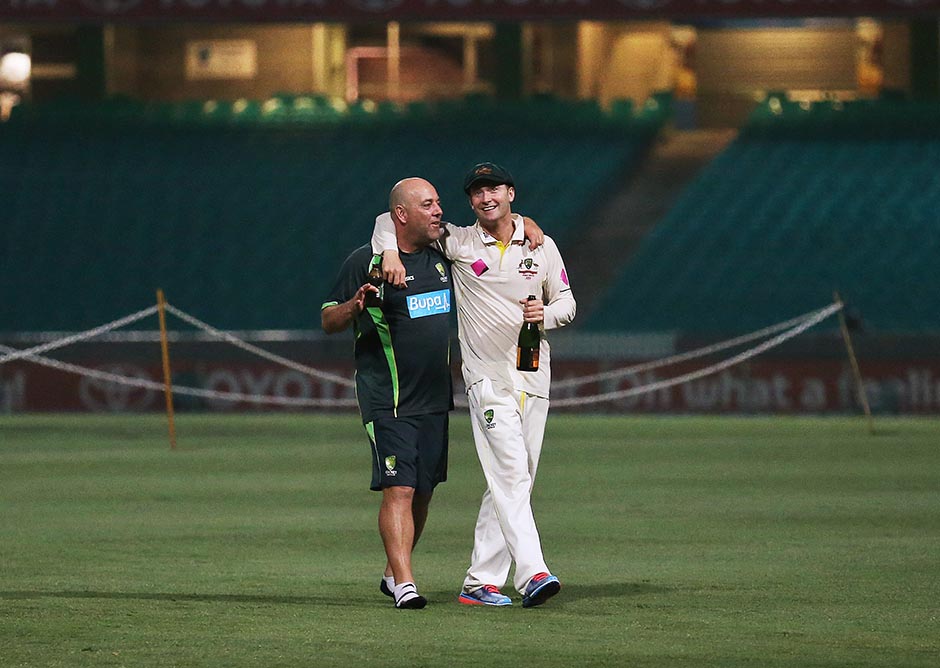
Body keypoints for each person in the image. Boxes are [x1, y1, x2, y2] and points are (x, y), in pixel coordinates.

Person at [373, 162, 576, 608]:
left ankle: (480, 581)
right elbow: (392, 216)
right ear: (470, 202)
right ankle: (533, 573)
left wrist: (548, 315)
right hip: (486, 381)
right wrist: (388, 251)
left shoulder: (542, 245)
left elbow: (567, 301)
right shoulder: (460, 242)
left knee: (514, 482)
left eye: (493, 190)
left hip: (534, 375)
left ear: (511, 192)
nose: (486, 198)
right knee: (509, 473)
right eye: (477, 193)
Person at [320, 177, 454, 610]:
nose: (438, 211)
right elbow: (327, 319)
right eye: (428, 204)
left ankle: (390, 573)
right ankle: (407, 584)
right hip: (388, 398)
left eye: (438, 203)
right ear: (402, 215)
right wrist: (354, 306)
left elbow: (491, 229)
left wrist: (526, 223)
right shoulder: (365, 261)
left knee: (425, 489)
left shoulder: (441, 254)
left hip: (435, 398)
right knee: (400, 488)